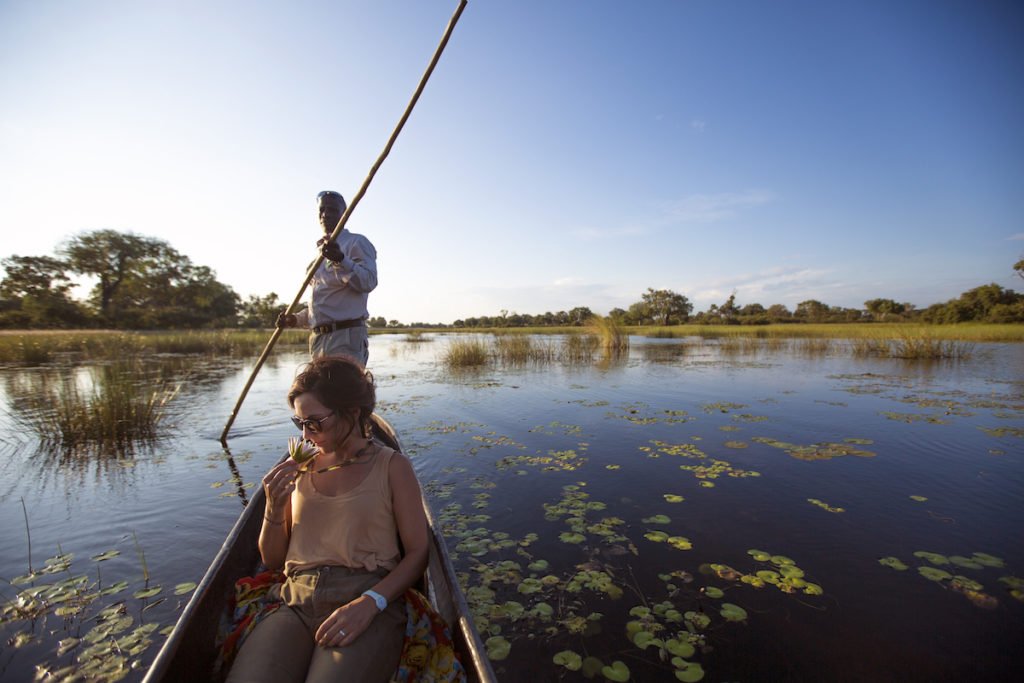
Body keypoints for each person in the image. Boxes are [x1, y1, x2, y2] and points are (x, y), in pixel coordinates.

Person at [225, 356, 428, 683]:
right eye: (300, 423)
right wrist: (274, 507)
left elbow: (419, 553)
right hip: (295, 600)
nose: (307, 434)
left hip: (364, 594)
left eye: (315, 422)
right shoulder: (300, 467)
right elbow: (273, 560)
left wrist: (372, 603)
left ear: (352, 411)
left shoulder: (392, 466)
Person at [277, 190, 378, 364]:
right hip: (318, 340)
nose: (325, 214)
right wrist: (295, 319)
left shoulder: (356, 243)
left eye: (332, 209)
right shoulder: (317, 258)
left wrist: (341, 260)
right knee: (320, 391)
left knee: (342, 391)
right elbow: (321, 308)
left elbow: (368, 282)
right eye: (321, 210)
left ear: (344, 214)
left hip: (346, 338)